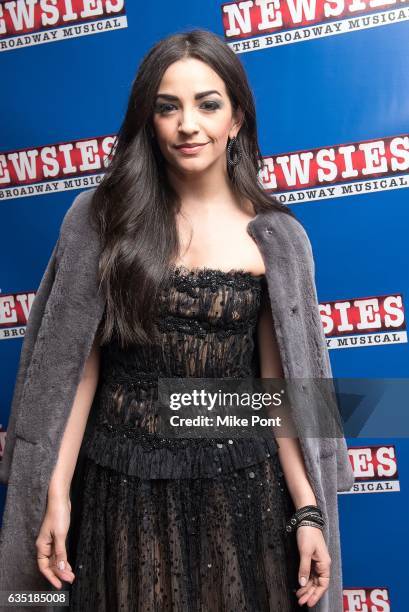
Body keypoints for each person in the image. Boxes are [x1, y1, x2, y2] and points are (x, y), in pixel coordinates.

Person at [0, 29, 351, 612]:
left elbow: (279, 392)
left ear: (237, 118)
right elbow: (74, 371)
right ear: (150, 120)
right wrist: (54, 492)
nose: (188, 123)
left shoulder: (278, 237)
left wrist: (308, 512)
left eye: (207, 104)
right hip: (120, 484)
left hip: (241, 488)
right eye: (168, 107)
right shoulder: (101, 217)